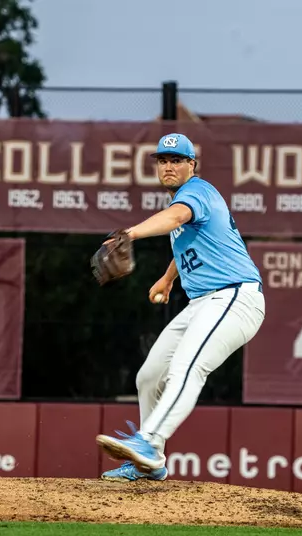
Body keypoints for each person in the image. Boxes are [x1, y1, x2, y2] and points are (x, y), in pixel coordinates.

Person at [95, 132, 266, 482]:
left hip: (235, 297)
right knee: (149, 376)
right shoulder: (184, 201)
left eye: (176, 160)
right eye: (163, 160)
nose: (168, 166)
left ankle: (148, 442)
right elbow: (188, 237)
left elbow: (175, 219)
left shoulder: (197, 192)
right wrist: (168, 278)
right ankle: (150, 462)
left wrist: (131, 234)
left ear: (192, 165)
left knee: (187, 367)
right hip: (203, 302)